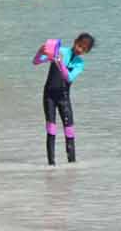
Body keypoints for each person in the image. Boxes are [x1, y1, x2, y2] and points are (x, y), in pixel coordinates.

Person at [32, 31, 95, 166]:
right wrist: (40, 52)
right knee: (51, 128)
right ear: (75, 41)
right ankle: (51, 165)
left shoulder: (79, 63)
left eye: (84, 49)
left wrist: (60, 62)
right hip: (49, 95)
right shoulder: (59, 50)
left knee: (69, 130)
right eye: (80, 46)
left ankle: (72, 165)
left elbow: (69, 78)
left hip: (63, 98)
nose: (80, 50)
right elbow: (36, 62)